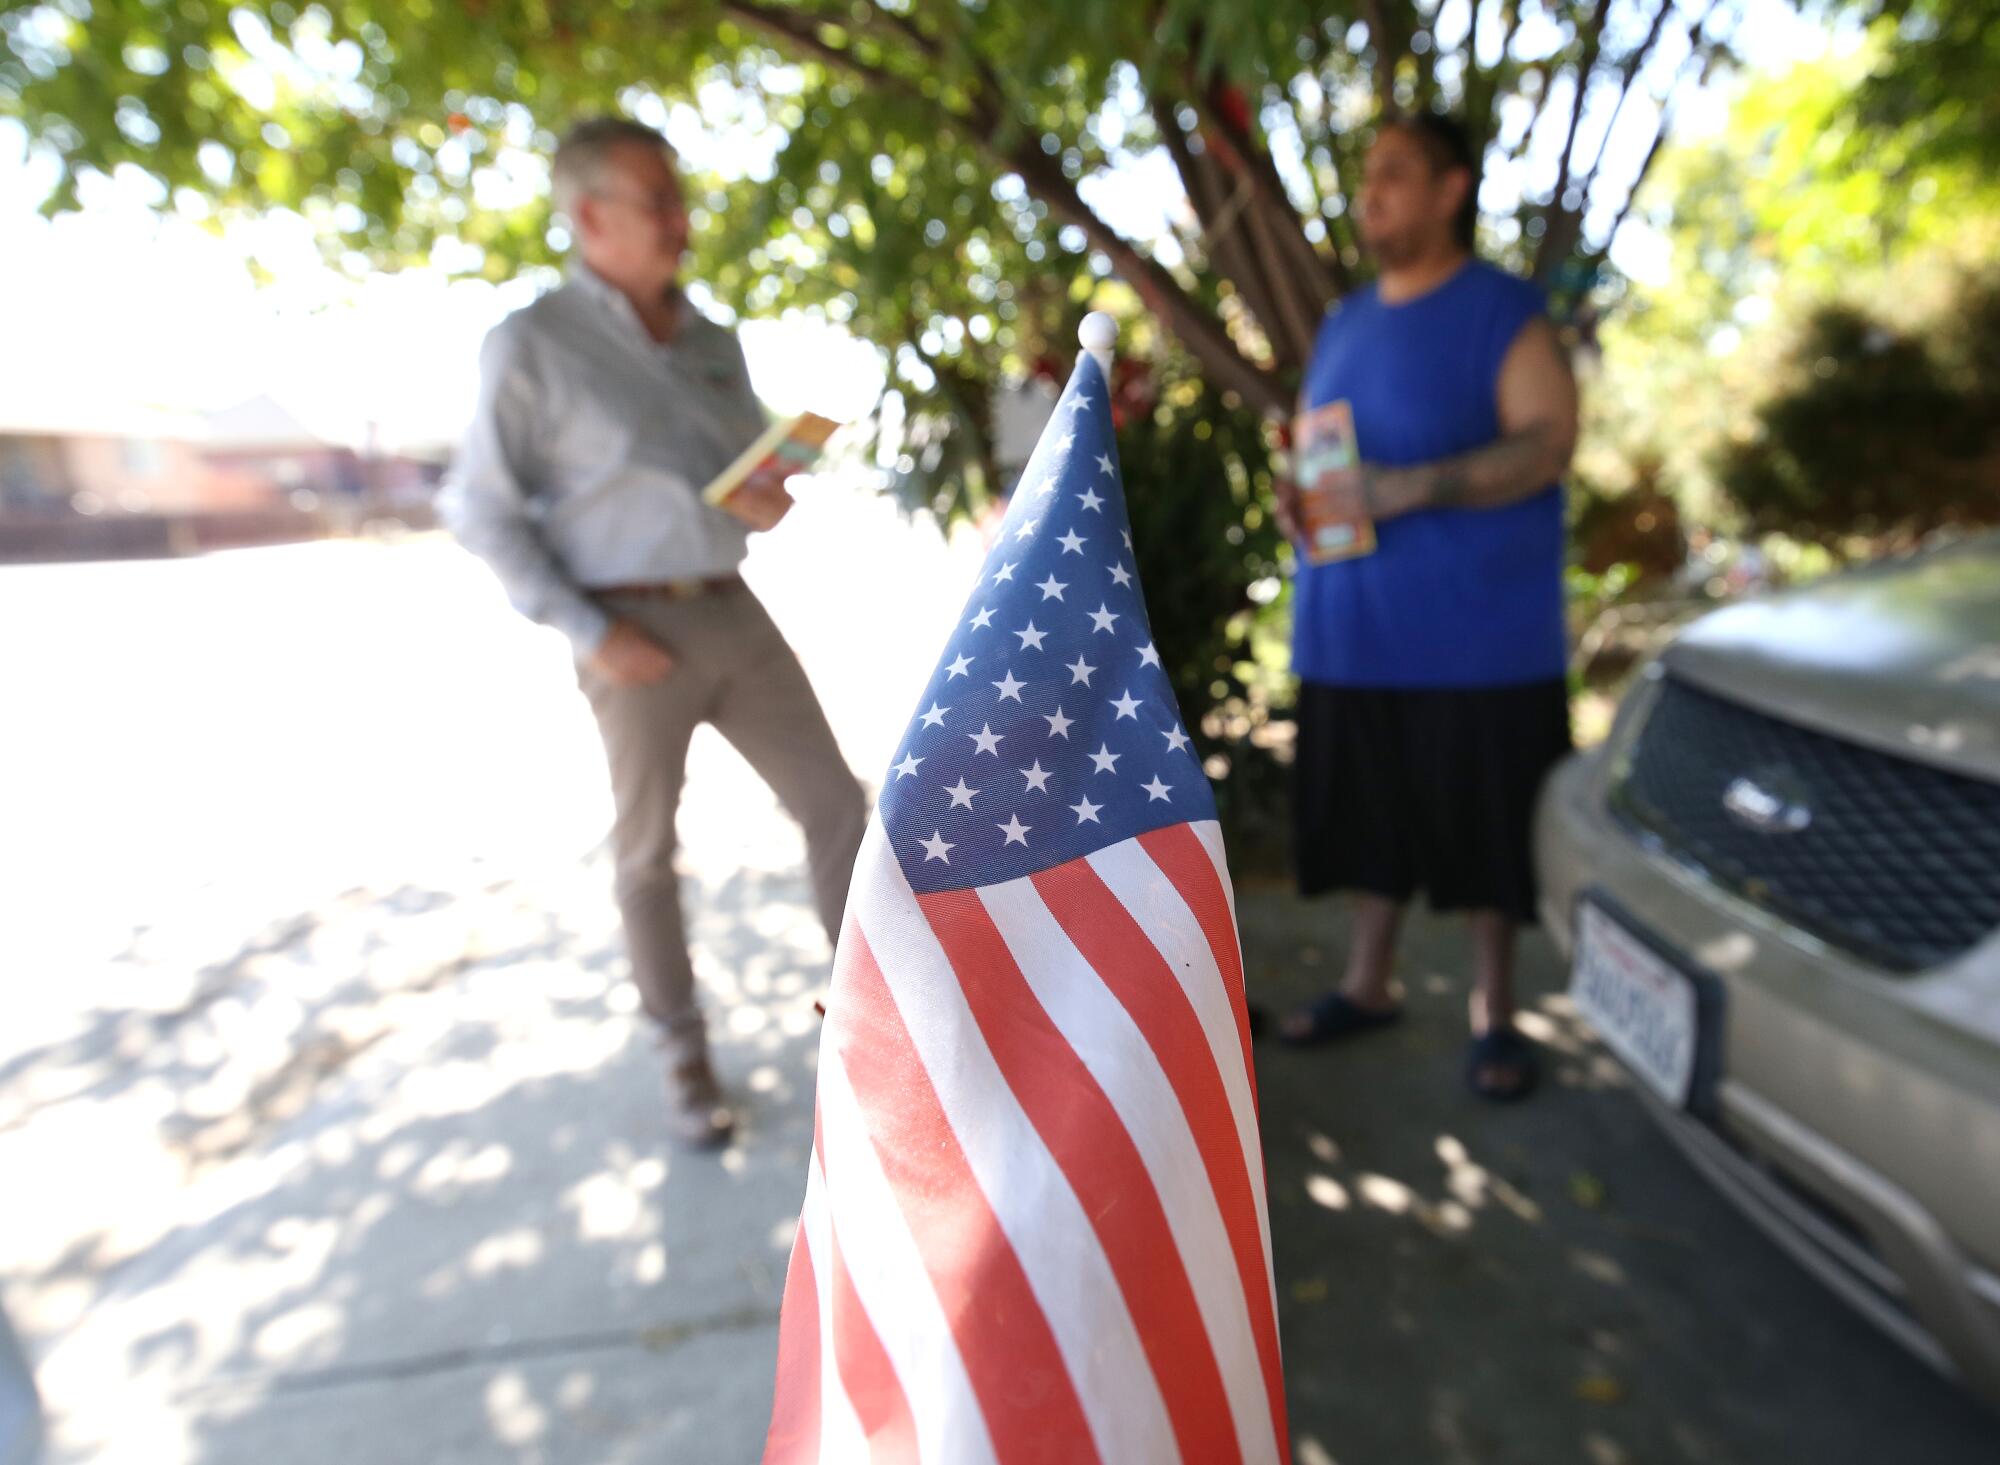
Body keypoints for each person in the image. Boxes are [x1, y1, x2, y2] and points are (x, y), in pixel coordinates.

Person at [442, 117, 867, 1146]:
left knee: (839, 806)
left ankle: (875, 1022)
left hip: (731, 605)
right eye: (658, 201)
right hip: (627, 628)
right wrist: (589, 629)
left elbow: (742, 476)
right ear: (589, 217)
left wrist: (762, 499)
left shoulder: (713, 341)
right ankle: (683, 1058)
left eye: (680, 197)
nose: (682, 221)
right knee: (646, 856)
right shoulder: (532, 344)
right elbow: (478, 509)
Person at [1273, 112, 1578, 1101]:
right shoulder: (1344, 320)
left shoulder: (1503, 310)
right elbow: (1332, 460)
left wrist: (1405, 488)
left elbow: (1544, 443)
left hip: (1477, 643)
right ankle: (1368, 984)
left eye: (1397, 173)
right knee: (1368, 828)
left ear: (1452, 190)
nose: (1371, 193)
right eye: (1367, 175)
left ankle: (1495, 1011)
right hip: (1350, 633)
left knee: (1485, 842)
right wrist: (1303, 505)